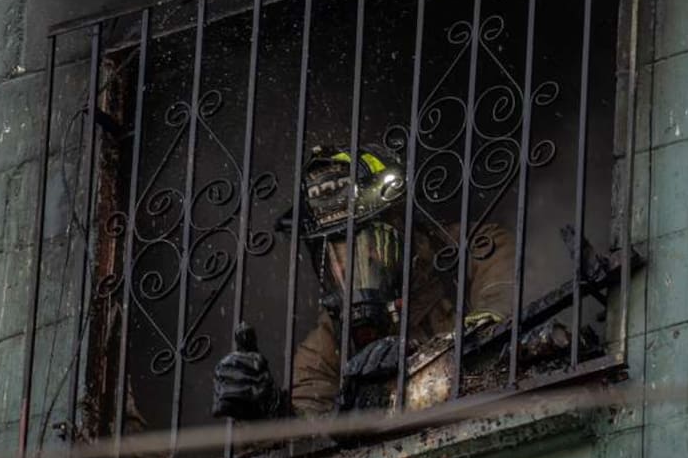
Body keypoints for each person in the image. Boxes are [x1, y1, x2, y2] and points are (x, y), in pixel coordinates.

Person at [212, 144, 515, 420]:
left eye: (360, 239)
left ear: (399, 224)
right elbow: (305, 431)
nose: (346, 262)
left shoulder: (475, 248)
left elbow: (502, 323)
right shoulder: (332, 334)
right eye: (334, 250)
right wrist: (272, 412)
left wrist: (411, 364)